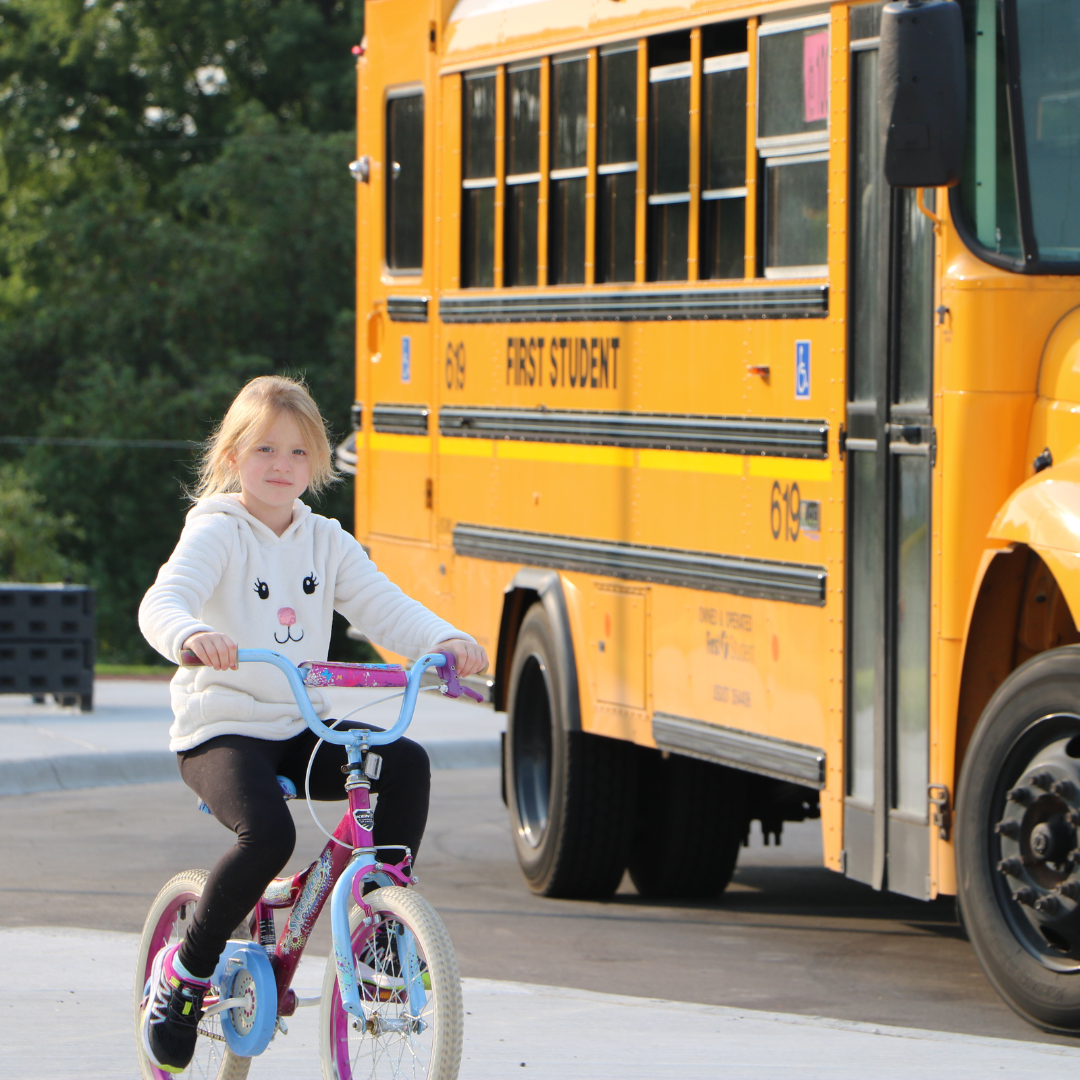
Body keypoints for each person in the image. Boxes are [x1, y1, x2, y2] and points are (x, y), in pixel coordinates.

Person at [137, 374, 486, 1073]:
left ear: (316, 462)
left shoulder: (325, 540)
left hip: (301, 726)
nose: (282, 465)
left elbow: (387, 608)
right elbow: (164, 598)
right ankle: (185, 978)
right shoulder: (217, 529)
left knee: (405, 762)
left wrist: (446, 642)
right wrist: (189, 634)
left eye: (298, 453)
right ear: (233, 456)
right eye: (264, 448)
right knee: (269, 833)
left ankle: (385, 932)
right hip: (223, 728)